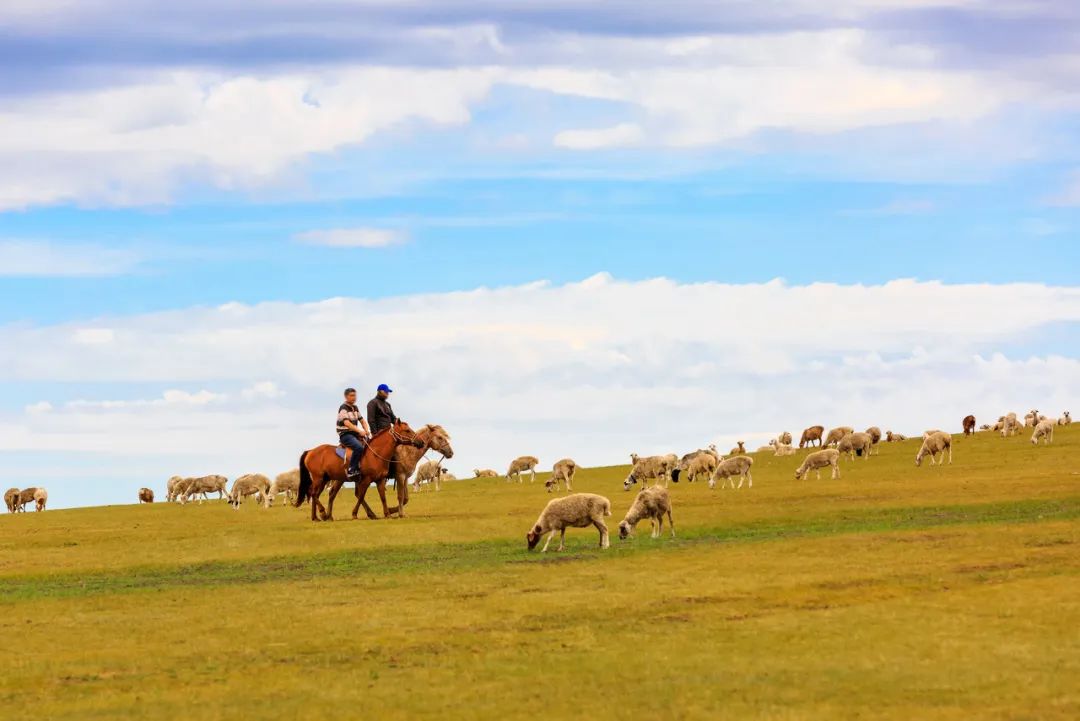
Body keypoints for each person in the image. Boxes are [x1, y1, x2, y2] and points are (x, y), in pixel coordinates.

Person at [337, 387, 371, 479]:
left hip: (355, 434)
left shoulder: (355, 408)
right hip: (345, 434)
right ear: (346, 396)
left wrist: (366, 430)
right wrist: (360, 431)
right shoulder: (343, 408)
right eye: (351, 396)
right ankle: (351, 469)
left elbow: (362, 420)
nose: (354, 398)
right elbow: (346, 423)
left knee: (371, 444)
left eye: (355, 395)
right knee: (359, 447)